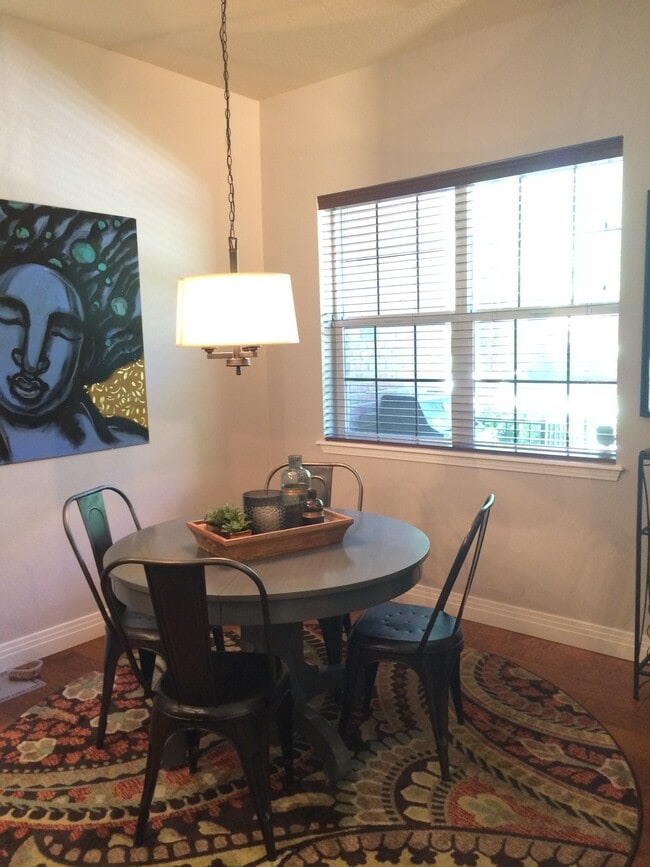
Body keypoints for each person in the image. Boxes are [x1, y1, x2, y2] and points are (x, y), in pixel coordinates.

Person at [0, 263, 147, 463]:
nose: (31, 362)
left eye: (61, 331)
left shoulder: (127, 444)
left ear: (85, 355)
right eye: (10, 318)